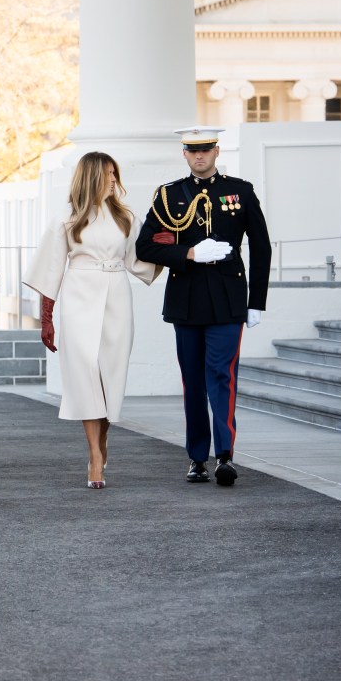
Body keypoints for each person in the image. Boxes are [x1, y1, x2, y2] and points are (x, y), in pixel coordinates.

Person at [134, 126, 271, 487]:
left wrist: (256, 302)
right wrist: (189, 253)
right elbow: (145, 247)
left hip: (228, 299)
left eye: (205, 149)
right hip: (187, 298)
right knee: (193, 380)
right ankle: (197, 458)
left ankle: (224, 455)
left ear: (216, 152)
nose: (199, 156)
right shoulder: (169, 195)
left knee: (222, 375)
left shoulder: (240, 191)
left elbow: (261, 247)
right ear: (184, 154)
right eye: (193, 150)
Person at [24, 152, 161, 489]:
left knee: (110, 374)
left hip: (117, 295)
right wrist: (46, 320)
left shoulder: (126, 217)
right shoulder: (67, 219)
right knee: (85, 371)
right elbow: (50, 269)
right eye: (108, 174)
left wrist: (168, 246)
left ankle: (103, 439)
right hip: (78, 296)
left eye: (115, 174)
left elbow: (140, 261)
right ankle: (95, 455)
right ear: (91, 177)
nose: (114, 180)